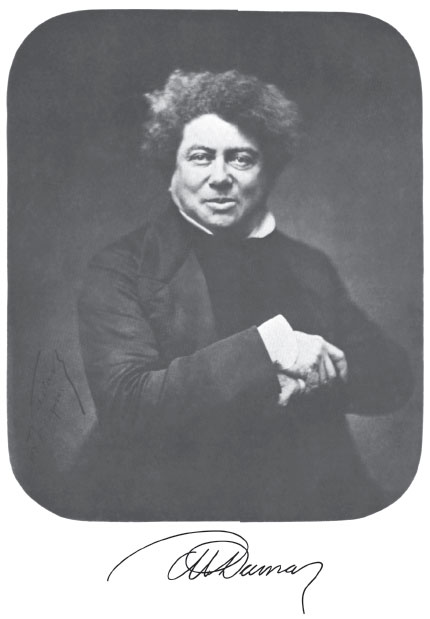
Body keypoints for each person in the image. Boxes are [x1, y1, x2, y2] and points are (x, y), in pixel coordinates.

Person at [77, 69, 412, 521]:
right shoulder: (123, 267)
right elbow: (127, 405)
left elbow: (394, 378)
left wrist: (326, 368)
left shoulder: (309, 265)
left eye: (241, 159)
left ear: (267, 170)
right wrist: (273, 347)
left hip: (305, 510)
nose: (220, 177)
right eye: (201, 157)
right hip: (173, 512)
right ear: (171, 168)